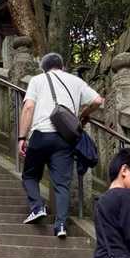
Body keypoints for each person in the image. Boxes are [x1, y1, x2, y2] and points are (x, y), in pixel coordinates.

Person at [18, 52, 104, 237]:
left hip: (41, 134)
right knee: (62, 184)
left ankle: (37, 207)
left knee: (30, 175)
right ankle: (61, 226)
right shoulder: (76, 81)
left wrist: (22, 137)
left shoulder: (37, 80)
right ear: (62, 66)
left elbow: (28, 107)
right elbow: (98, 100)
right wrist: (84, 114)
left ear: (44, 68)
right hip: (65, 138)